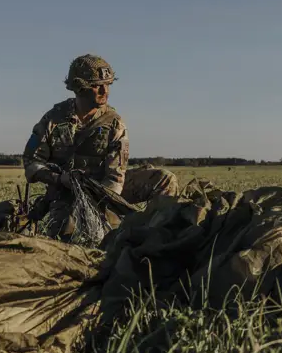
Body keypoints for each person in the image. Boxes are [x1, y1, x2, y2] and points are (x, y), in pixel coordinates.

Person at [22, 54, 179, 241]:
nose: (105, 91)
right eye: (97, 85)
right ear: (79, 88)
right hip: (68, 192)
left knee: (165, 180)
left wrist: (102, 207)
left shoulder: (114, 122)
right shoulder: (53, 119)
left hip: (106, 190)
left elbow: (115, 177)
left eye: (108, 84)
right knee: (66, 234)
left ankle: (160, 236)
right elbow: (31, 162)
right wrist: (59, 179)